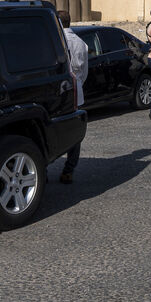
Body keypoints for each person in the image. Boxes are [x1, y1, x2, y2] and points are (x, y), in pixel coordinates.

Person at [58, 10, 88, 184]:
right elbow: (84, 72)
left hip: (60, 89)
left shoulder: (57, 41)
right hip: (77, 89)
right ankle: (69, 170)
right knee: (74, 130)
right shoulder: (81, 42)